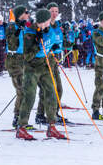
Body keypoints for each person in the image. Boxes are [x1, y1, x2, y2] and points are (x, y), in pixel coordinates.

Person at [15, 9, 67, 141]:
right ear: (42, 21)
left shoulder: (48, 30)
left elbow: (50, 42)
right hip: (31, 67)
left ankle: (52, 126)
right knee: (30, 96)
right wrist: (38, 44)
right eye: (48, 20)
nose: (50, 22)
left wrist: (53, 47)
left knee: (51, 93)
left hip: (44, 65)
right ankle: (21, 127)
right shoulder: (29, 34)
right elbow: (27, 56)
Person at [36, 3, 64, 124]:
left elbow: (60, 41)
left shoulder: (57, 25)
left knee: (59, 89)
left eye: (56, 11)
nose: (54, 13)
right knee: (47, 89)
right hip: (45, 60)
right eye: (52, 11)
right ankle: (41, 114)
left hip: (55, 59)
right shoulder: (44, 25)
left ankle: (54, 112)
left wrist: (70, 42)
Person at [5, 5, 30, 128]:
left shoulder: (24, 27)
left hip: (23, 60)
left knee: (25, 90)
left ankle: (20, 117)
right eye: (26, 12)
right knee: (22, 90)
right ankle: (18, 118)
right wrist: (18, 30)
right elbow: (12, 45)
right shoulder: (11, 26)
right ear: (20, 14)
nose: (28, 14)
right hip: (14, 60)